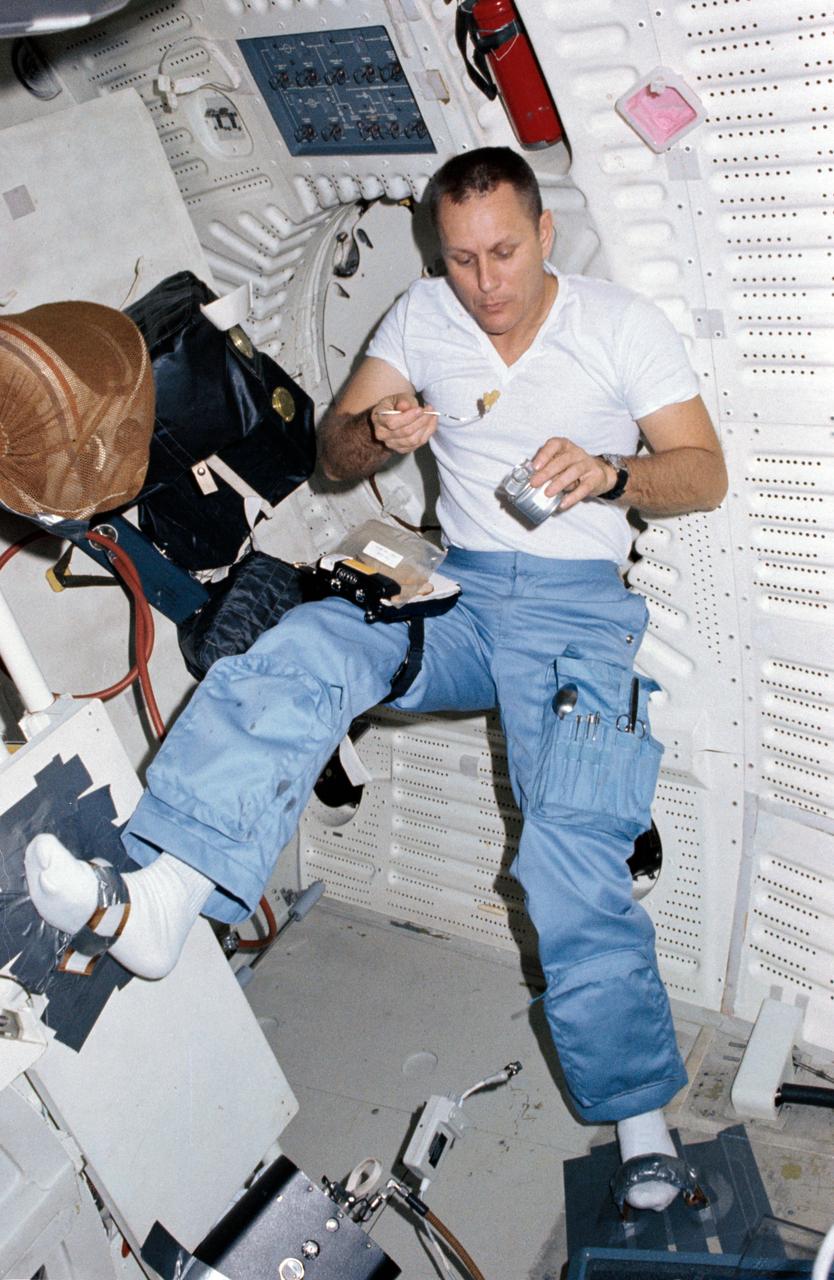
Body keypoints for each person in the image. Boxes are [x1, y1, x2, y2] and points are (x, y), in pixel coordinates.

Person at [25, 147, 727, 1212]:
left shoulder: (619, 325)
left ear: (543, 234)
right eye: (460, 259)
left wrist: (611, 471)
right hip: (462, 591)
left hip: (578, 609)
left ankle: (639, 1120)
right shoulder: (421, 318)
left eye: (503, 251)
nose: (485, 282)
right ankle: (167, 893)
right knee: (301, 644)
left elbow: (703, 471)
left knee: (568, 852)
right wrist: (374, 432)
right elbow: (331, 453)